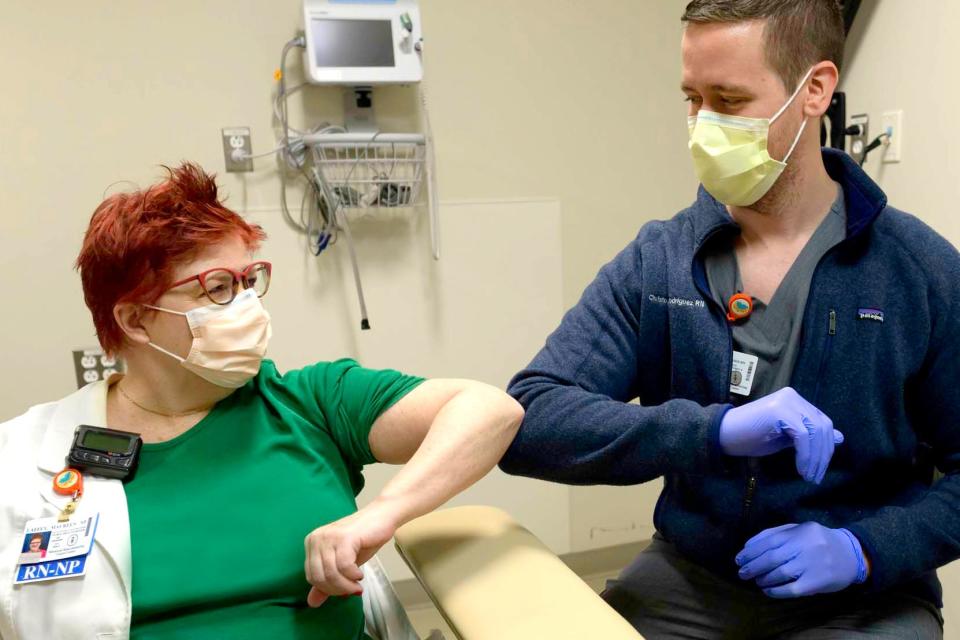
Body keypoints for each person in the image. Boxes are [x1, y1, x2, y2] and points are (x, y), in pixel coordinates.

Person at [500, 1, 958, 638]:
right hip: (692, 576)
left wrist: (863, 550)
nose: (702, 125)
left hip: (863, 599)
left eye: (729, 99)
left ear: (815, 91)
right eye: (692, 98)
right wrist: (711, 432)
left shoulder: (919, 272)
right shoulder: (660, 261)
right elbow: (531, 420)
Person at [0, 163, 523, 639]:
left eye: (251, 280)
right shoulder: (24, 454)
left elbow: (489, 411)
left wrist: (380, 515)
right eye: (219, 287)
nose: (247, 304)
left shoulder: (307, 401)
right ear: (136, 321)